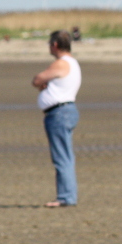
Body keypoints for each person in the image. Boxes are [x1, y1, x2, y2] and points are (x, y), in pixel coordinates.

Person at [31, 31, 81, 208]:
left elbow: (37, 79)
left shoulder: (61, 63)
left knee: (62, 157)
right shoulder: (72, 63)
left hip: (60, 113)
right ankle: (67, 195)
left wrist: (43, 83)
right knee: (65, 155)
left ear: (55, 45)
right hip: (64, 111)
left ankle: (66, 197)